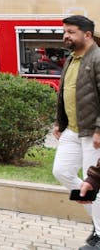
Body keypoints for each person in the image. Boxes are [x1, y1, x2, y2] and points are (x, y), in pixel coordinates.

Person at [52, 14, 100, 249]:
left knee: (95, 181)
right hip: (72, 130)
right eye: (65, 32)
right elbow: (65, 94)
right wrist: (60, 123)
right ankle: (98, 221)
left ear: (87, 34)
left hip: (93, 132)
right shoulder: (72, 59)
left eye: (71, 32)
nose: (65, 36)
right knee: (61, 171)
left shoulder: (98, 59)